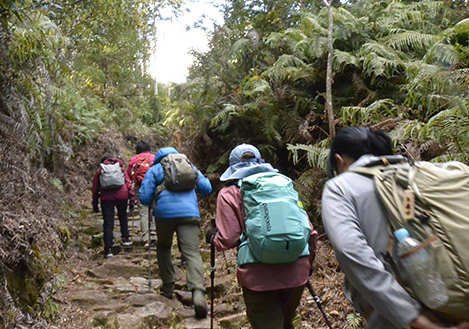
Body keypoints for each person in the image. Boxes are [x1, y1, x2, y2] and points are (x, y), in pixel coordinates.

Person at [322, 127, 469, 329]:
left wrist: (413, 318)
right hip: (457, 306)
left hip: (398, 318)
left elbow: (351, 250)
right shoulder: (420, 174)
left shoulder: (340, 187)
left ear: (339, 160)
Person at [206, 144, 317, 329]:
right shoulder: (284, 184)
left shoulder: (229, 193)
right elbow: (309, 230)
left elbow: (228, 239)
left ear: (233, 166)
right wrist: (308, 262)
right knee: (286, 323)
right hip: (296, 269)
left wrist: (212, 237)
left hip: (258, 277)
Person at [139, 146, 212, 318]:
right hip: (189, 213)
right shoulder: (189, 165)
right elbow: (207, 188)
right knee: (192, 253)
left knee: (164, 247)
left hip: (164, 215)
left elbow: (144, 197)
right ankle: (198, 293)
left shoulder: (156, 168)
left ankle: (168, 288)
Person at [92, 153, 135, 258]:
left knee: (108, 223)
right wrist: (132, 199)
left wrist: (95, 203)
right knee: (123, 216)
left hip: (106, 198)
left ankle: (109, 249)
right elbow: (128, 183)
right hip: (122, 196)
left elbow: (95, 188)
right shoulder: (120, 168)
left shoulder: (100, 170)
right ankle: (125, 238)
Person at [126, 140, 156, 247]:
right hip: (153, 186)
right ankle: (153, 231)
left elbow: (129, 175)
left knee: (143, 212)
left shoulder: (134, 159)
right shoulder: (153, 158)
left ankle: (146, 239)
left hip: (139, 187)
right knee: (154, 209)